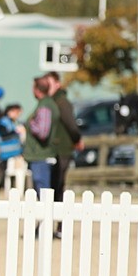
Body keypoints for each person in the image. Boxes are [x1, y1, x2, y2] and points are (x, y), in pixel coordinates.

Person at [23, 76, 59, 211]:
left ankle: (45, 221)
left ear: (37, 90)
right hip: (41, 155)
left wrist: (30, 123)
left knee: (43, 192)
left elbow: (43, 132)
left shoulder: (45, 106)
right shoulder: (47, 104)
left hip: (41, 155)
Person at [45, 71, 82, 202]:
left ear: (57, 84)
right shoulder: (51, 101)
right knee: (52, 185)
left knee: (58, 184)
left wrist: (77, 139)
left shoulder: (62, 102)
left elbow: (71, 125)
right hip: (54, 149)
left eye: (50, 83)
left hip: (62, 148)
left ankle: (59, 213)